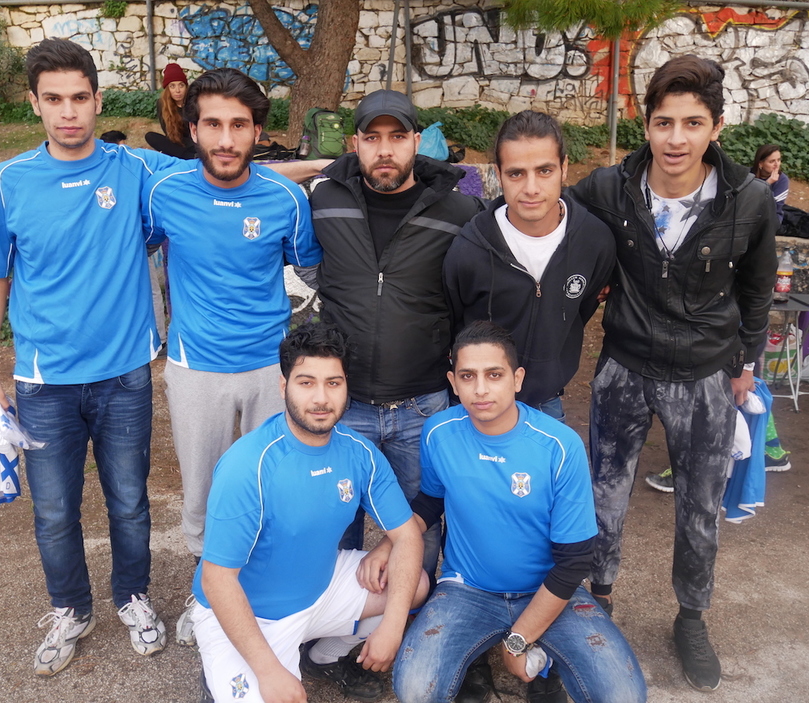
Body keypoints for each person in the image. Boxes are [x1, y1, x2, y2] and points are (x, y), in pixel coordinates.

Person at [569, 55, 777, 692]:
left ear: (716, 127)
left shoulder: (748, 200)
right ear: (647, 124)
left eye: (693, 123)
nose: (677, 138)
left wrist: (744, 366)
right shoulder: (610, 188)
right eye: (664, 122)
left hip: (705, 373)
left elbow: (759, 291)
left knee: (700, 507)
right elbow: (543, 213)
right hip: (625, 364)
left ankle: (691, 617)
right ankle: (596, 602)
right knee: (603, 498)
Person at [0, 37, 174, 676]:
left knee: (129, 501)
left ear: (97, 99)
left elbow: (226, 172)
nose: (68, 112)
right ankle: (71, 609)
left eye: (79, 98)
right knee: (54, 509)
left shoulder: (135, 170)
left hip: (124, 376)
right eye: (53, 100)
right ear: (34, 104)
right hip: (42, 382)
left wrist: (323, 166)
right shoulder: (9, 180)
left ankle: (133, 597)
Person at [367, 321, 645, 703]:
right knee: (414, 689)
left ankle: (539, 659)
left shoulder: (559, 445)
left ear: (517, 379)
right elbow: (430, 502)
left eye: (494, 375)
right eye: (468, 376)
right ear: (453, 381)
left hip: (547, 590)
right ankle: (493, 657)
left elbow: (574, 561)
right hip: (466, 590)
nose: (480, 389)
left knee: (623, 696)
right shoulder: (437, 432)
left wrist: (517, 641)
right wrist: (389, 543)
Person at [141, 67, 322, 646]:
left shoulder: (286, 199)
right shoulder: (163, 194)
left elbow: (311, 267)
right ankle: (205, 597)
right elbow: (135, 247)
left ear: (256, 132)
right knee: (203, 495)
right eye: (212, 124)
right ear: (192, 129)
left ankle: (262, 594)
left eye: (238, 125)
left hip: (272, 368)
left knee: (270, 487)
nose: (225, 139)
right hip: (195, 369)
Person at [191, 323, 428, 702]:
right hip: (252, 616)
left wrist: (393, 628)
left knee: (412, 585)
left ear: (346, 386)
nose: (321, 397)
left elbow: (407, 536)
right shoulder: (247, 465)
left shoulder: (359, 453)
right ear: (283, 386)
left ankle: (324, 655)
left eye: (333, 383)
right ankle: (225, 668)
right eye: (306, 383)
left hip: (319, 589)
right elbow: (218, 580)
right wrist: (269, 673)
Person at [310, 89, 485, 574]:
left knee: (418, 529)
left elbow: (471, 297)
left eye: (397, 137)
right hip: (346, 404)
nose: (385, 150)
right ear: (354, 143)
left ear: (416, 142)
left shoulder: (458, 212)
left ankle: (414, 629)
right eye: (372, 138)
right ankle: (336, 627)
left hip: (420, 406)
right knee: (334, 524)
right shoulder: (324, 199)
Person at [444, 110, 615, 421]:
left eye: (545, 171)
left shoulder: (595, 240)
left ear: (564, 168)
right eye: (516, 173)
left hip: (547, 405)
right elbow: (454, 322)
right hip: (478, 409)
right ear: (498, 173)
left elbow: (582, 307)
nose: (532, 188)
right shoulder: (468, 249)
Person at [145, 62, 197, 159]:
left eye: (181, 85)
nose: (177, 90)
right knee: (150, 136)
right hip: (178, 144)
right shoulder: (162, 104)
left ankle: (189, 155)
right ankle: (189, 156)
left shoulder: (194, 102)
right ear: (168, 89)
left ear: (186, 87)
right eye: (172, 86)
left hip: (197, 142)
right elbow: (169, 133)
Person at [751, 143, 789, 225]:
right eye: (772, 161)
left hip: (771, 218)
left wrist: (767, 185)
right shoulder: (749, 175)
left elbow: (772, 207)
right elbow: (746, 202)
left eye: (778, 160)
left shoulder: (782, 180)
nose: (777, 164)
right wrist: (766, 183)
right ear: (761, 164)